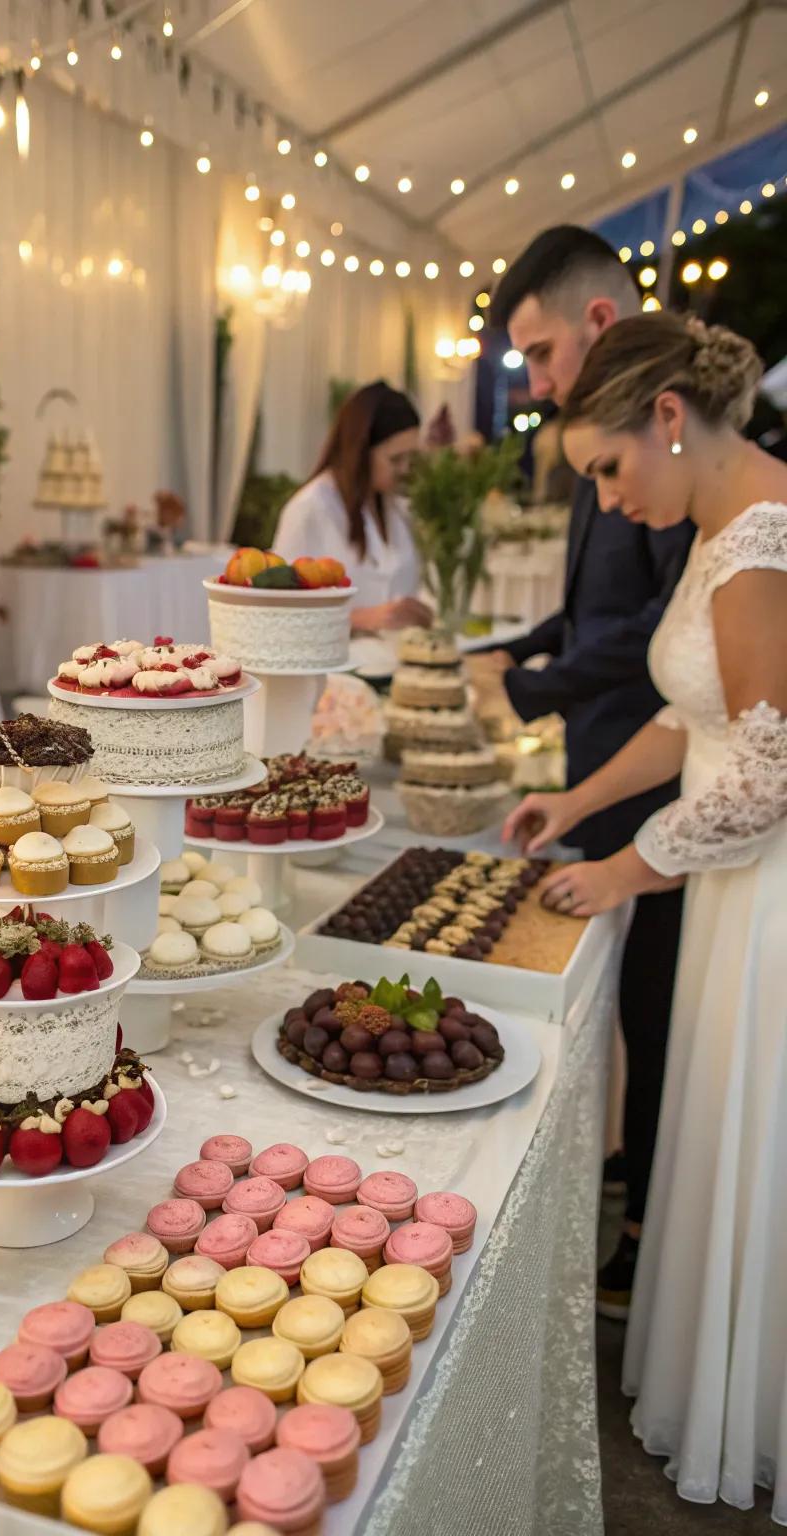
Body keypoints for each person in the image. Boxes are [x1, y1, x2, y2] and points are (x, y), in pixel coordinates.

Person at [504, 312, 787, 1517]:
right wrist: (579, 798)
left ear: (667, 418)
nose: (609, 504)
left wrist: (623, 868)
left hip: (762, 884)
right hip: (726, 881)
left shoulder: (762, 537)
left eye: (610, 469)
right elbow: (691, 718)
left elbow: (768, 769)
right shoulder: (719, 523)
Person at [481, 227, 694, 1315]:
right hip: (601, 762)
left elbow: (666, 627)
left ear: (601, 324)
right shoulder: (597, 447)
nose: (533, 377)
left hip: (662, 773)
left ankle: (653, 1227)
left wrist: (535, 688)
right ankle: (630, 1177)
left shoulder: (680, 455)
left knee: (661, 1004)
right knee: (626, 999)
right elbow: (595, 603)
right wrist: (521, 655)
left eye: (541, 350)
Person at [273, 380, 431, 633]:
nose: (405, 469)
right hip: (336, 666)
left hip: (397, 661)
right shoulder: (310, 509)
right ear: (359, 451)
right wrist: (359, 619)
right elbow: (277, 611)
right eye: (396, 459)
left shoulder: (395, 507)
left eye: (410, 458)